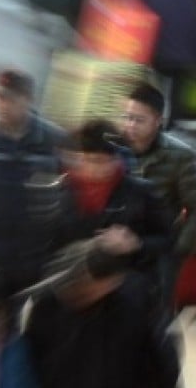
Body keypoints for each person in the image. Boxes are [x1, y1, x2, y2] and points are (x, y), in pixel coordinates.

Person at [24, 238, 184, 388]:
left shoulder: (136, 303)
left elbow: (165, 369)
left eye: (84, 290)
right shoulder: (46, 308)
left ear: (111, 284)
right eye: (70, 290)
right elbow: (31, 370)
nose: (75, 296)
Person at [0, 69, 68, 292]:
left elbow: (69, 190)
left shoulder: (55, 140)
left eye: (11, 98)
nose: (3, 104)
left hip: (43, 256)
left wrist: (53, 234)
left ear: (28, 99)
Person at [62, 119, 175, 299]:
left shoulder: (140, 192)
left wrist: (136, 243)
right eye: (94, 161)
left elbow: (168, 239)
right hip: (74, 289)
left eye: (109, 160)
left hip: (125, 290)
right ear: (80, 159)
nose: (102, 168)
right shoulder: (61, 191)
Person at [121, 83, 196, 311]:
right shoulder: (115, 149)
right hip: (118, 246)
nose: (131, 125)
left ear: (158, 120)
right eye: (127, 117)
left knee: (155, 314)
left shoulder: (180, 157)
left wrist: (178, 251)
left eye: (139, 120)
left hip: (158, 250)